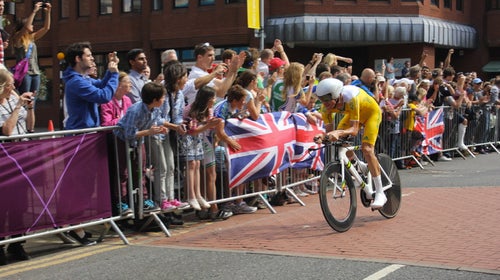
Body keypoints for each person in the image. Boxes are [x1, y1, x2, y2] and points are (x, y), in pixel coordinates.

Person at [314, 78, 387, 209]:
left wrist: (338, 133)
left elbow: (354, 130)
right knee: (341, 141)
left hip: (371, 114)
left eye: (326, 100)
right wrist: (323, 137)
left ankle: (380, 193)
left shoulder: (350, 98)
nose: (324, 104)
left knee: (367, 149)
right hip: (353, 116)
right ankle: (358, 166)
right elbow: (330, 133)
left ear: (337, 96)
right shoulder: (325, 109)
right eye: (321, 100)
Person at [114, 82, 167, 215]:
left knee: (141, 171)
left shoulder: (155, 109)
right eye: (162, 97)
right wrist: (149, 132)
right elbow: (129, 134)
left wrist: (161, 129)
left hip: (139, 141)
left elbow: (157, 121)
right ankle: (122, 202)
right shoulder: (135, 110)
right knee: (123, 173)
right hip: (122, 141)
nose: (164, 99)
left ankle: (143, 200)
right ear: (154, 99)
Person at [0, 69, 35, 265]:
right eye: (10, 84)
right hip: (4, 160)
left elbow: (30, 126)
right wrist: (16, 108)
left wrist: (29, 108)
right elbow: (6, 130)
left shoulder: (14, 98)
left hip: (22, 156)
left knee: (21, 204)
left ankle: (17, 242)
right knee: (3, 205)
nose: (14, 87)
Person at [11, 1, 51, 132]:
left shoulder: (32, 38)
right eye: (31, 24)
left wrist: (48, 13)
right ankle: (20, 125)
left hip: (36, 73)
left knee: (32, 102)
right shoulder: (17, 39)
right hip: (25, 74)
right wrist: (34, 11)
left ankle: (30, 128)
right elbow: (25, 27)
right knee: (24, 100)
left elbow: (46, 29)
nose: (33, 26)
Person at [63, 42, 119, 130]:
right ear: (78, 58)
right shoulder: (76, 82)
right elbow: (103, 96)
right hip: (81, 134)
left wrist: (111, 68)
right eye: (88, 56)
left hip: (87, 132)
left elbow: (101, 85)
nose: (92, 58)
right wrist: (114, 74)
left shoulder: (84, 78)